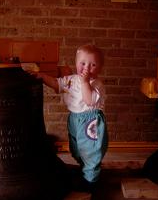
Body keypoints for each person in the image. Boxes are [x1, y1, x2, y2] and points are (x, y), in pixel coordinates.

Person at [28, 44, 108, 192]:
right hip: (75, 119)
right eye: (83, 63)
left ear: (100, 68)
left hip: (91, 121)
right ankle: (86, 170)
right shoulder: (71, 80)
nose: (86, 68)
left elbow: (89, 100)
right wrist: (43, 76)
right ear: (76, 63)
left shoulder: (96, 84)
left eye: (93, 65)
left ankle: (91, 181)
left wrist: (85, 83)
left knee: (90, 150)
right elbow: (56, 84)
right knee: (77, 149)